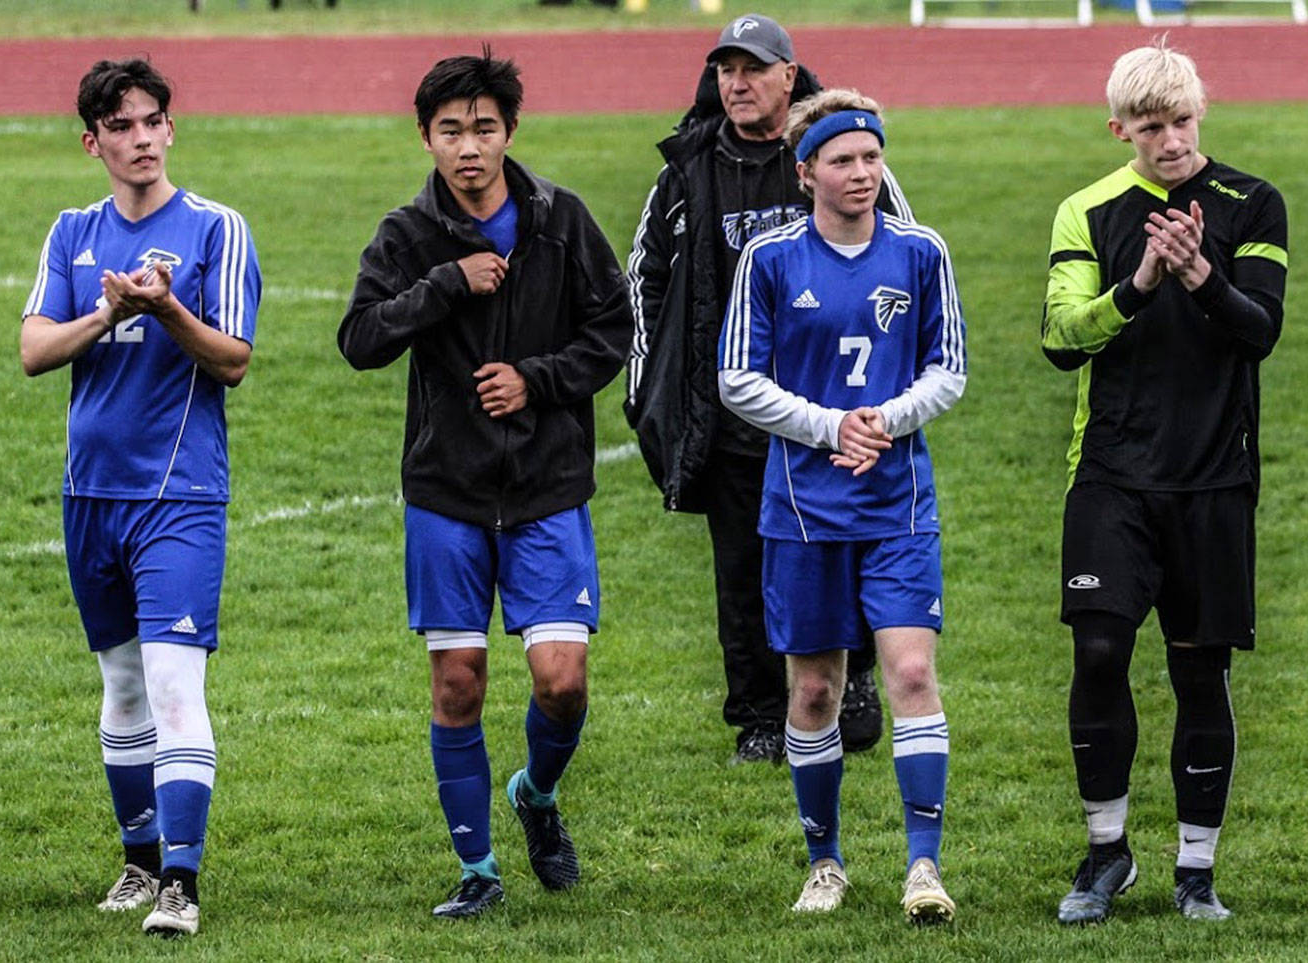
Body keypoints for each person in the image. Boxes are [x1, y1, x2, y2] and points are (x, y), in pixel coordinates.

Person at [338, 50, 631, 920]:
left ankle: (535, 794)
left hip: (545, 487)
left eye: (485, 129)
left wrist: (536, 380)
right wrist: (441, 286)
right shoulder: (407, 236)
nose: (470, 148)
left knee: (561, 678)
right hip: (448, 490)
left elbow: (613, 329)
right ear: (426, 136)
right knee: (458, 680)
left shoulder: (562, 221)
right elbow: (359, 339)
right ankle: (479, 869)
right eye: (451, 131)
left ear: (511, 132)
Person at [1039, 43, 1287, 924]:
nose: (1172, 142)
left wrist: (1201, 277)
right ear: (1120, 131)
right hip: (1110, 473)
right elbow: (1063, 337)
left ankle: (1195, 868)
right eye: (1151, 129)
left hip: (1215, 477)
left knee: (1199, 668)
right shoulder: (1090, 210)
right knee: (1099, 650)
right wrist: (1141, 283)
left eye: (1182, 122)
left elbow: (1259, 331)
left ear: (1201, 113)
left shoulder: (1252, 202)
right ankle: (1107, 852)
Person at [625, 13, 911, 764]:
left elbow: (905, 265)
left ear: (790, 75)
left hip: (837, 412)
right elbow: (645, 279)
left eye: (753, 68)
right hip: (732, 415)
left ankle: (849, 687)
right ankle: (758, 714)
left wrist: (888, 394)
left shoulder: (838, 154)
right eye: (725, 68)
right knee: (743, 573)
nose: (737, 82)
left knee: (841, 551)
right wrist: (649, 390)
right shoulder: (686, 169)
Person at [19, 58, 260, 938]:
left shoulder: (215, 229)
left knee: (169, 682)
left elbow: (232, 358)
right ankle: (140, 858)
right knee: (120, 684)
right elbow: (35, 350)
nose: (142, 138)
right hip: (90, 495)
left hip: (179, 495)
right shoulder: (71, 231)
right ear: (93, 142)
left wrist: (165, 312)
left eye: (153, 120)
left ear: (172, 127)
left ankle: (182, 884)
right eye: (120, 127)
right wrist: (109, 315)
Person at [719, 89, 966, 923]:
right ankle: (824, 863)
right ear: (807, 172)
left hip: (897, 504)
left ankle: (923, 867)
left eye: (871, 157)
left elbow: (949, 370)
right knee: (816, 694)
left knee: (910, 671)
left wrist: (884, 422)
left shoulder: (922, 252)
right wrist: (831, 426)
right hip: (801, 510)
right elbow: (737, 379)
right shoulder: (772, 260)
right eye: (843, 160)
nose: (862, 173)